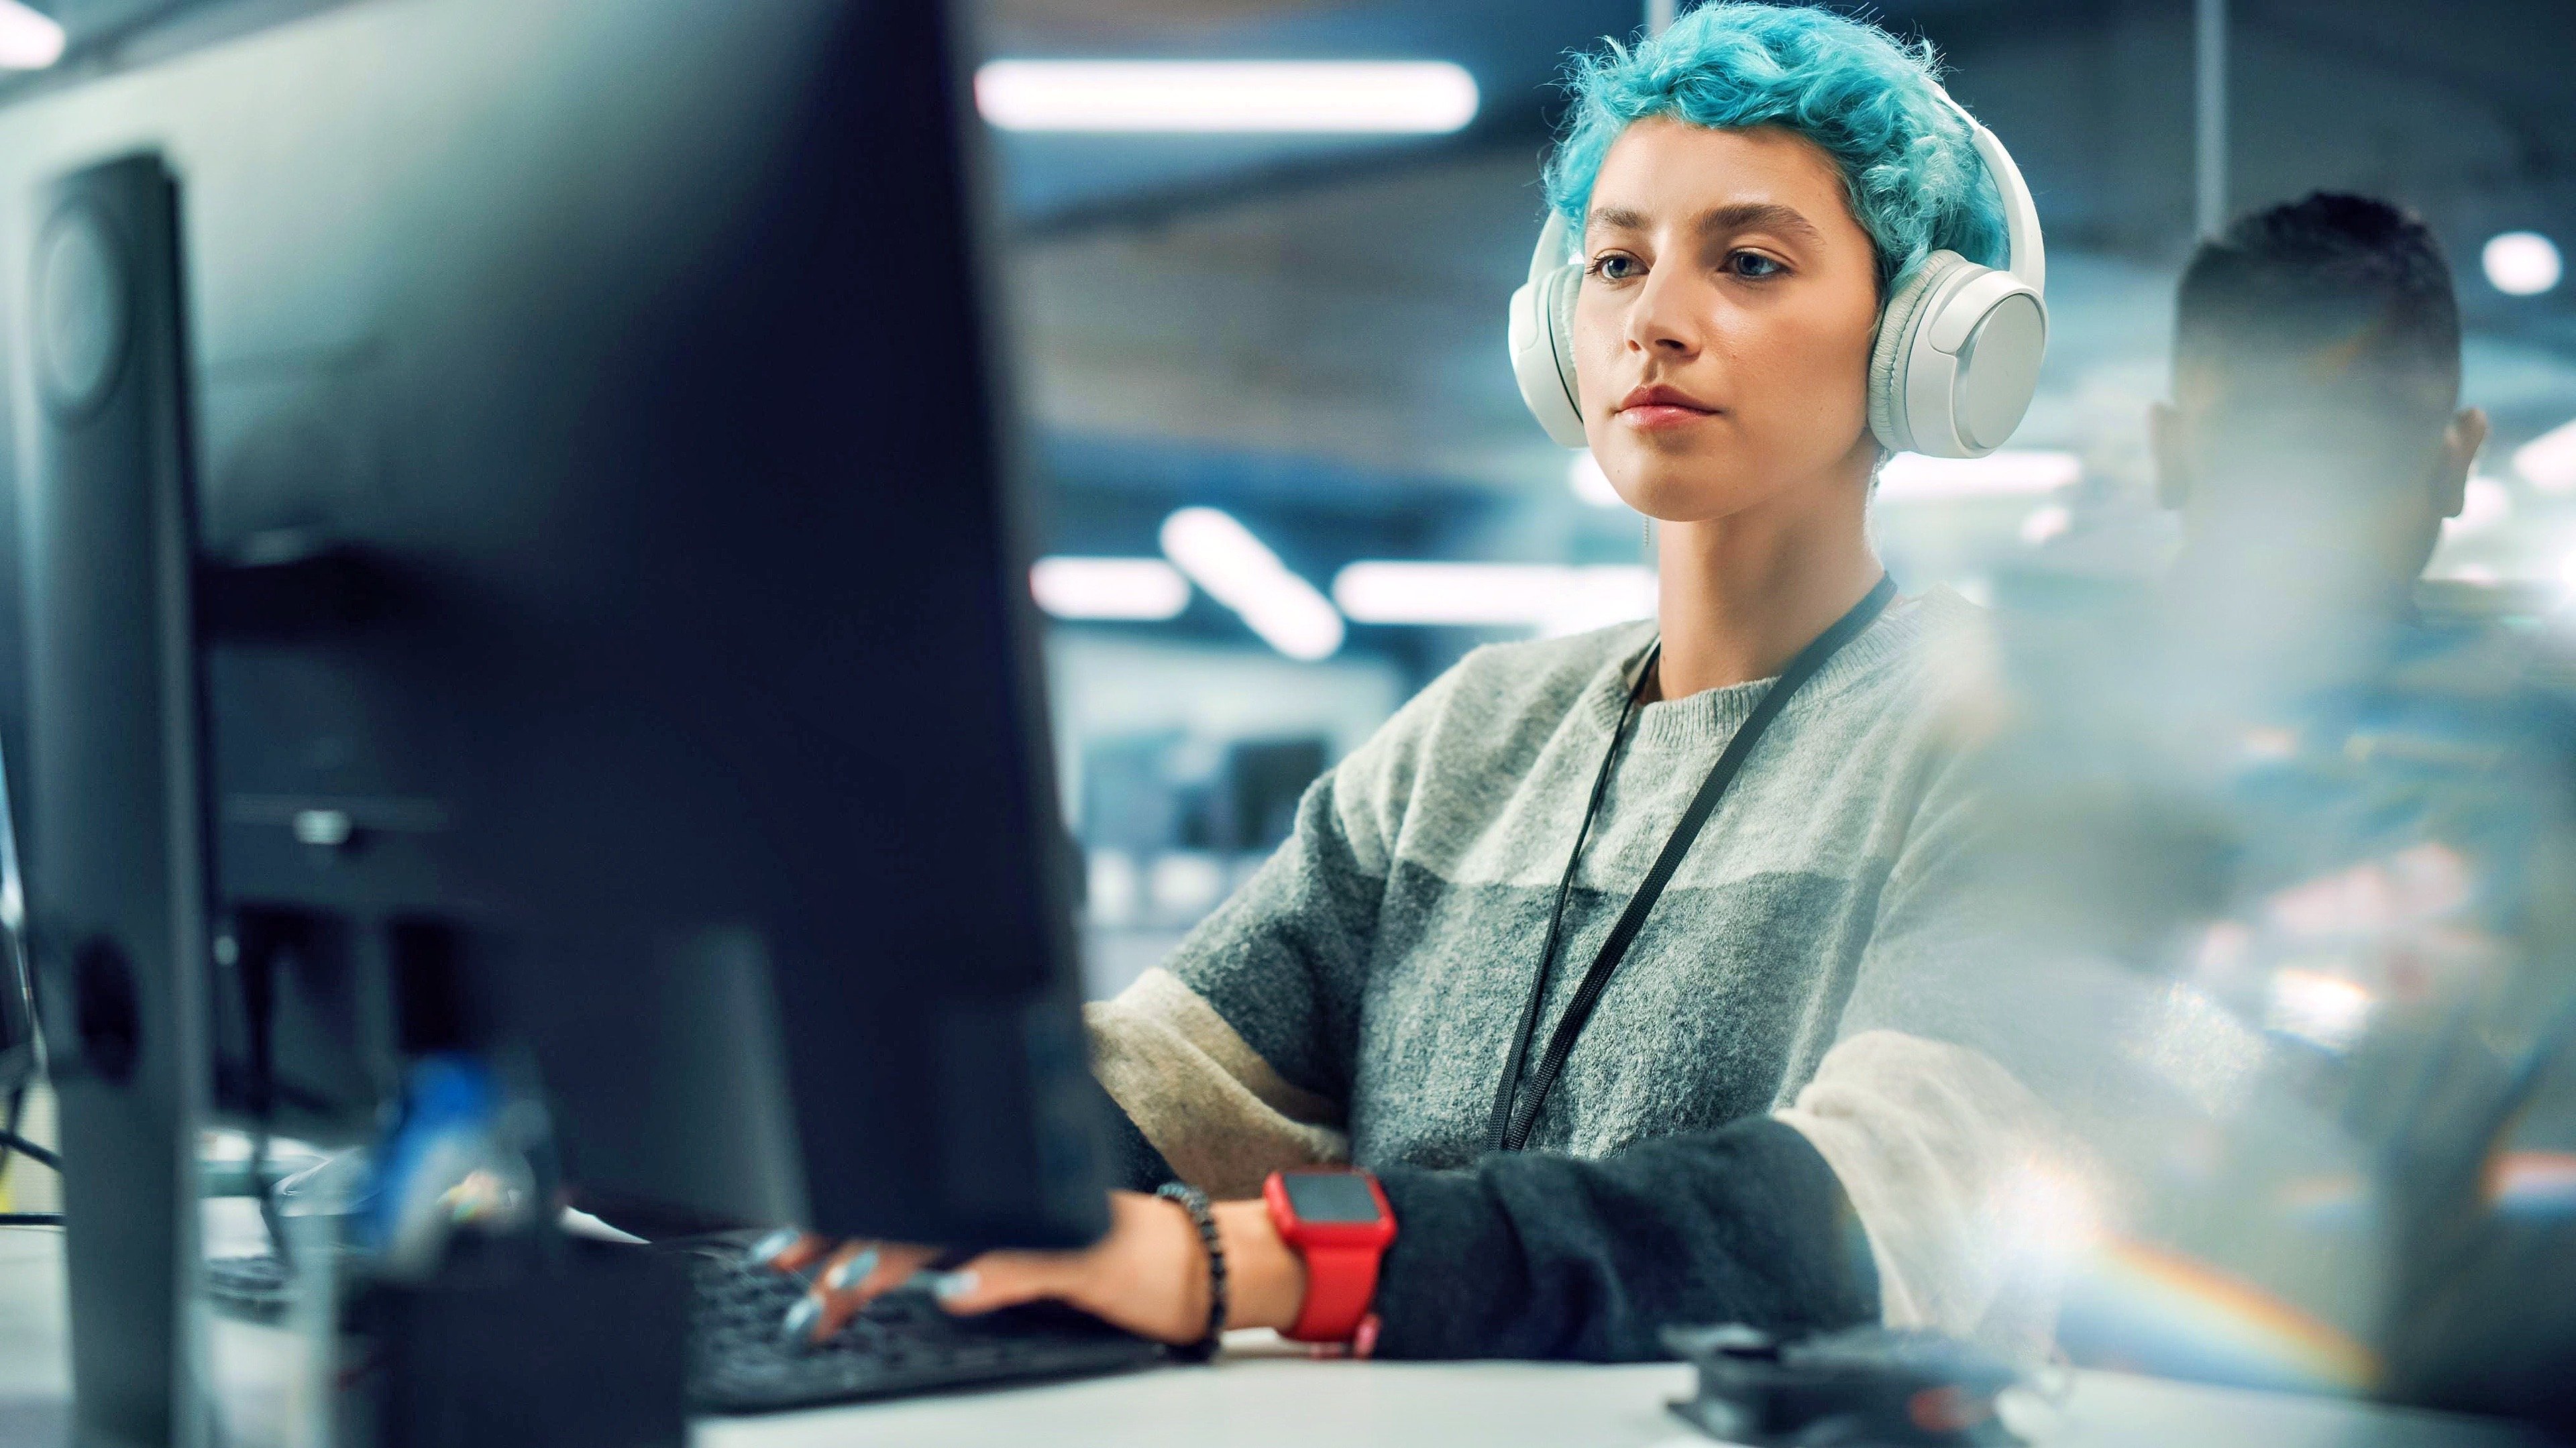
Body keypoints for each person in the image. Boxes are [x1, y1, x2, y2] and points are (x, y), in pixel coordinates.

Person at [770, 3, 2070, 1363]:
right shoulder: (1473, 736)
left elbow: (1883, 1212)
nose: (1656, 323)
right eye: (1616, 263)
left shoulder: (2013, 747)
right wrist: (895, 1165)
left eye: (1748, 262)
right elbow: (1171, 1081)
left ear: (1922, 338)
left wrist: (1253, 1260)